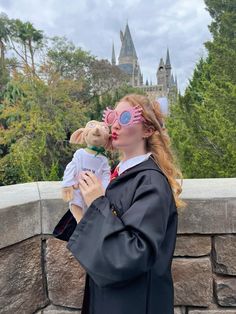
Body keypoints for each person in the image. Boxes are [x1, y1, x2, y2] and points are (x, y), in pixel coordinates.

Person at [53, 93, 187, 314]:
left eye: (125, 118)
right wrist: (81, 200)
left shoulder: (151, 182)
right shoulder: (118, 174)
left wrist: (96, 201)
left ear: (148, 130)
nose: (114, 124)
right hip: (114, 297)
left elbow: (134, 252)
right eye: (113, 116)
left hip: (134, 302)